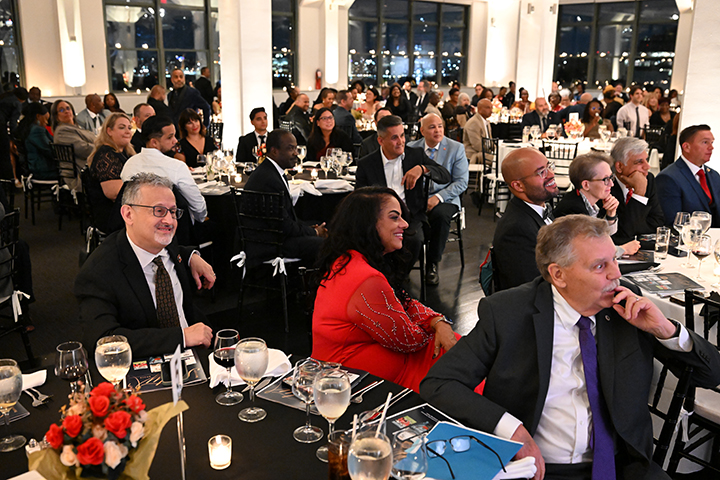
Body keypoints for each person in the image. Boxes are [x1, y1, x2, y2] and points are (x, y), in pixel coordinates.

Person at [421, 214, 720, 480]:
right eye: (600, 266)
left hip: (624, 466)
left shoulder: (626, 306)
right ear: (558, 274)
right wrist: (511, 429)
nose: (616, 274)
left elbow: (711, 375)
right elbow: (440, 383)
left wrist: (665, 330)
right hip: (537, 469)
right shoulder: (508, 313)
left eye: (614, 259)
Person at [312, 187, 457, 392]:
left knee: (458, 349)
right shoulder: (366, 277)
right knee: (460, 358)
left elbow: (403, 303)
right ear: (368, 224)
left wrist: (437, 321)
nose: (405, 224)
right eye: (394, 217)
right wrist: (434, 328)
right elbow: (408, 340)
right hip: (351, 382)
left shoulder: (348, 259)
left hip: (350, 370)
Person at [74, 172, 216, 358]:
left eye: (173, 212)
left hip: (196, 352)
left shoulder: (161, 239)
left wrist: (191, 256)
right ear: (128, 214)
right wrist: (181, 337)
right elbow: (102, 341)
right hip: (147, 363)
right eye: (158, 210)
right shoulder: (98, 273)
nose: (169, 221)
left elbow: (176, 249)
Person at [356, 114, 451, 271]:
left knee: (414, 240)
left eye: (402, 136)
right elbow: (359, 198)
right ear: (381, 141)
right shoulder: (367, 164)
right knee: (370, 240)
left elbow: (445, 175)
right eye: (394, 138)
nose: (400, 141)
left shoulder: (415, 155)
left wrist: (422, 168)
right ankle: (381, 276)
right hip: (378, 217)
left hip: (410, 215)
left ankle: (399, 277)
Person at [243, 129, 326, 264]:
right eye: (290, 148)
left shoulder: (270, 171)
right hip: (269, 245)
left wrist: (309, 229)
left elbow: (285, 221)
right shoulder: (269, 179)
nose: (296, 153)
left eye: (295, 148)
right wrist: (314, 233)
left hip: (274, 237)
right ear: (274, 151)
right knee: (325, 245)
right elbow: (283, 225)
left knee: (317, 225)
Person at [407, 114, 468, 285]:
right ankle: (405, 261)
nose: (438, 130)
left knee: (440, 216)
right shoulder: (411, 148)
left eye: (440, 126)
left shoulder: (456, 148)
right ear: (422, 131)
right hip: (418, 198)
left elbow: (461, 182)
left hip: (447, 197)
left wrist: (438, 198)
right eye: (432, 127)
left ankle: (432, 264)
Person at [492, 148, 559, 290]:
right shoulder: (517, 229)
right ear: (518, 186)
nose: (551, 174)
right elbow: (532, 288)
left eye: (549, 166)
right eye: (542, 172)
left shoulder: (538, 209)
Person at [121, 115, 207, 224]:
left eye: (174, 135)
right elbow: (198, 206)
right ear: (154, 142)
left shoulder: (129, 164)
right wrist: (200, 219)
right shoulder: (177, 167)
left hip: (136, 226)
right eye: (169, 137)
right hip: (172, 226)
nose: (175, 141)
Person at [553, 152, 640, 257]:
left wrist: (610, 214)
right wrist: (623, 249)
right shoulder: (573, 210)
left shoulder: (590, 202)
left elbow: (601, 237)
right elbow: (590, 251)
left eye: (611, 177)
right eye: (605, 179)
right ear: (586, 185)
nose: (611, 184)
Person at [656, 125, 720, 227]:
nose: (711, 147)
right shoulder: (668, 178)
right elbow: (673, 222)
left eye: (711, 142)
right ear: (686, 147)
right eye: (705, 142)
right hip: (688, 236)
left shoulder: (714, 175)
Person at [609, 137, 666, 244]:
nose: (647, 166)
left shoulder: (648, 179)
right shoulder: (606, 186)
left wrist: (633, 228)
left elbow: (657, 223)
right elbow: (622, 234)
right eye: (639, 162)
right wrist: (639, 192)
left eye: (646, 160)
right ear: (619, 166)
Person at [86, 113, 136, 233]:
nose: (127, 131)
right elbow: (114, 193)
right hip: (111, 215)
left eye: (129, 128)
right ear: (109, 131)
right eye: (122, 127)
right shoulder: (106, 155)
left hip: (123, 208)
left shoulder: (124, 152)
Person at [52, 99, 96, 186]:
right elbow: (84, 149)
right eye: (61, 110)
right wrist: (104, 147)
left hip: (90, 167)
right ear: (56, 116)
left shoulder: (74, 128)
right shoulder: (62, 131)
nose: (66, 111)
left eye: (68, 108)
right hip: (80, 173)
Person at [15, 103, 55, 180]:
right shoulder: (37, 130)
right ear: (38, 116)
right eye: (46, 119)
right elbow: (49, 150)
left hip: (35, 168)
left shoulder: (26, 128)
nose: (47, 122)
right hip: (44, 170)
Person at [463, 98, 493, 167]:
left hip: (484, 153)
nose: (491, 110)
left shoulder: (486, 122)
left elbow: (490, 142)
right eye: (488, 108)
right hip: (474, 155)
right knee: (499, 159)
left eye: (491, 108)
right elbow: (478, 146)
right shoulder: (473, 122)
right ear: (479, 109)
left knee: (502, 156)